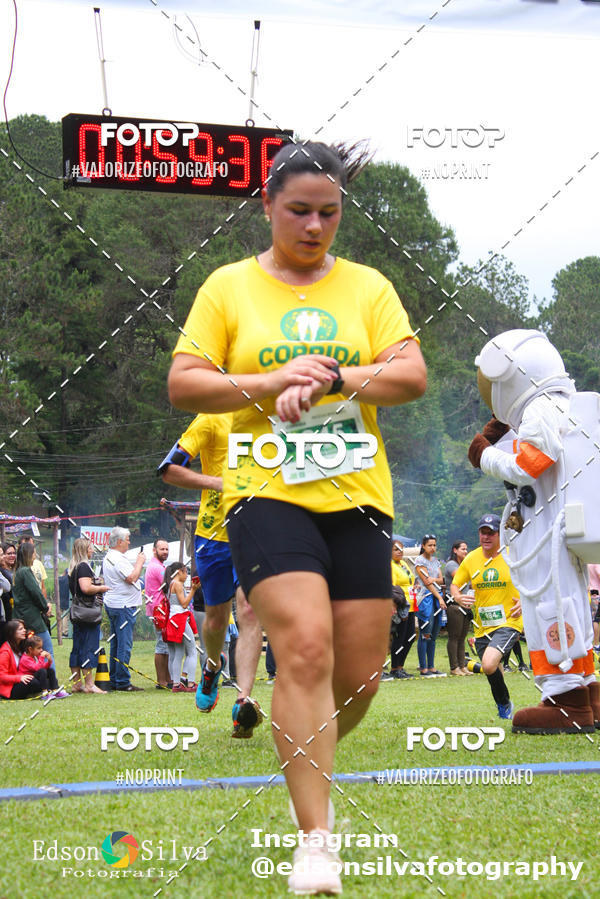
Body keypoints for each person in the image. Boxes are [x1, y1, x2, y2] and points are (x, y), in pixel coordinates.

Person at [168, 139, 426, 894]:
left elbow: (409, 372)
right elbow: (185, 382)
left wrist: (338, 377)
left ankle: (301, 749)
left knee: (360, 676)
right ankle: (316, 839)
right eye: (299, 211)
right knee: (304, 647)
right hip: (265, 491)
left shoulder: (369, 287)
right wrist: (272, 379)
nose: (315, 226)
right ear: (267, 205)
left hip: (356, 495)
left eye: (330, 213)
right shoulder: (228, 287)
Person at [469, 329, 599, 733]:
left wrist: (485, 456)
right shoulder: (561, 406)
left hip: (547, 530)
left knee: (549, 609)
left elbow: (532, 462)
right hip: (553, 525)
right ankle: (587, 695)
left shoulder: (541, 409)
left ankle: (567, 702)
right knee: (567, 604)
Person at [159, 415, 264, 739]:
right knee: (217, 621)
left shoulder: (274, 416)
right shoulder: (210, 420)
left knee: (248, 609)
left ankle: (243, 702)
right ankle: (212, 666)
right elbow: (169, 469)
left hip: (255, 533)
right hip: (213, 537)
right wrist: (217, 483)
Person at [450, 514, 523, 719]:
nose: (487, 537)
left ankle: (505, 704)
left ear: (500, 534)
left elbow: (532, 578)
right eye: (483, 532)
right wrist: (457, 596)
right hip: (482, 626)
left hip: (509, 621)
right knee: (493, 671)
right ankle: (504, 705)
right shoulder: (472, 559)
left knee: (489, 664)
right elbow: (455, 584)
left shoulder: (512, 555)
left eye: (492, 533)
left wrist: (525, 601)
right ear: (479, 534)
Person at [101, 527, 144, 692]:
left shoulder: (110, 557)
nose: (129, 542)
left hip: (115, 604)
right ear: (119, 541)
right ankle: (122, 681)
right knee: (124, 645)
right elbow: (131, 578)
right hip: (124, 606)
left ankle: (114, 678)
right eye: (127, 539)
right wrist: (139, 563)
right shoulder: (118, 558)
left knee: (116, 643)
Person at [68, 537, 109, 694]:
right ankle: (89, 684)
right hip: (88, 613)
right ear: (85, 550)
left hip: (78, 612)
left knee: (77, 647)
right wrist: (101, 588)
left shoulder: (74, 566)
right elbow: (85, 588)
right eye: (91, 548)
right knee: (89, 646)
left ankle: (76, 683)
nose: (93, 550)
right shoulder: (84, 567)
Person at [12, 542, 55, 665]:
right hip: (33, 618)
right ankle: (51, 682)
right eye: (34, 552)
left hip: (21, 615)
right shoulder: (26, 571)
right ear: (30, 554)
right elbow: (36, 592)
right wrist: (45, 607)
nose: (35, 555)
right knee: (47, 650)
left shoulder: (17, 571)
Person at [162, 561, 198, 693]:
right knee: (192, 651)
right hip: (180, 619)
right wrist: (193, 590)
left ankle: (176, 684)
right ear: (179, 572)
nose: (187, 575)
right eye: (185, 572)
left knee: (177, 653)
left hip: (172, 620)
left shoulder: (170, 583)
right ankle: (191, 683)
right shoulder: (177, 584)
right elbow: (184, 604)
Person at [414, 535, 446, 676]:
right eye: (429, 545)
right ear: (423, 546)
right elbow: (427, 582)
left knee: (433, 633)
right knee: (425, 633)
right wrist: (439, 596)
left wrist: (435, 580)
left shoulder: (435, 561)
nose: (432, 548)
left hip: (436, 598)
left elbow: (441, 579)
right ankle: (423, 667)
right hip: (425, 599)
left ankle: (432, 666)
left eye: (434, 545)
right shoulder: (419, 561)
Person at [144, 538, 171, 689]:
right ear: (154, 550)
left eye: (167, 549)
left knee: (165, 644)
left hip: (159, 609)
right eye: (162, 549)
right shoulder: (157, 568)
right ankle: (161, 681)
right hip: (159, 610)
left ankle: (167, 678)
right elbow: (171, 584)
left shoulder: (158, 565)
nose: (165, 552)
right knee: (162, 645)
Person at [444, 540, 471, 676]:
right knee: (454, 636)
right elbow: (461, 578)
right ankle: (454, 667)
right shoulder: (451, 565)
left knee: (462, 637)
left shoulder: (464, 565)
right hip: (454, 605)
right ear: (455, 550)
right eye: (462, 549)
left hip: (466, 604)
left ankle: (462, 666)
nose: (465, 551)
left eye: (466, 549)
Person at [389, 540, 416, 679]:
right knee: (400, 637)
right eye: (396, 549)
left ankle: (401, 666)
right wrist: (394, 605)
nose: (400, 551)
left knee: (410, 637)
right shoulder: (391, 566)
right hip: (401, 605)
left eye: (401, 549)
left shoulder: (404, 564)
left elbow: (410, 580)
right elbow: (392, 587)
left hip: (411, 604)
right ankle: (395, 668)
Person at [0, 620, 46, 699]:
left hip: (22, 678)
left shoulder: (21, 646)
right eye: (20, 629)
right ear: (12, 633)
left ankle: (48, 690)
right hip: (11, 688)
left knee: (43, 672)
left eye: (24, 628)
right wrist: (19, 678)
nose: (24, 630)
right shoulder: (5, 652)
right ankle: (43, 691)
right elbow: (2, 676)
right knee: (33, 681)